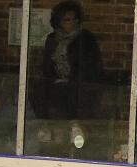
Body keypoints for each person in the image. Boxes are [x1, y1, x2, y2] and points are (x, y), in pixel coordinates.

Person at [36, 1, 103, 157]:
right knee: (41, 89)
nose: (71, 23)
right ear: (58, 22)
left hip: (79, 84)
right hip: (55, 83)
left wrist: (70, 80)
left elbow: (91, 66)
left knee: (67, 92)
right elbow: (46, 66)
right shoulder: (52, 39)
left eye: (74, 19)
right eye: (67, 20)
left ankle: (75, 126)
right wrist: (53, 79)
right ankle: (47, 127)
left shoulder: (85, 38)